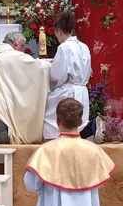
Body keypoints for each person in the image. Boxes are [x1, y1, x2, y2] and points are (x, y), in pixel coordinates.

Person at [43, 10, 102, 143]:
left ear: (58, 32)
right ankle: (90, 126)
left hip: (69, 90)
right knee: (76, 121)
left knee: (45, 106)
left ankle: (54, 142)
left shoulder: (64, 47)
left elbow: (58, 75)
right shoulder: (84, 46)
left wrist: (50, 76)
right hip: (82, 89)